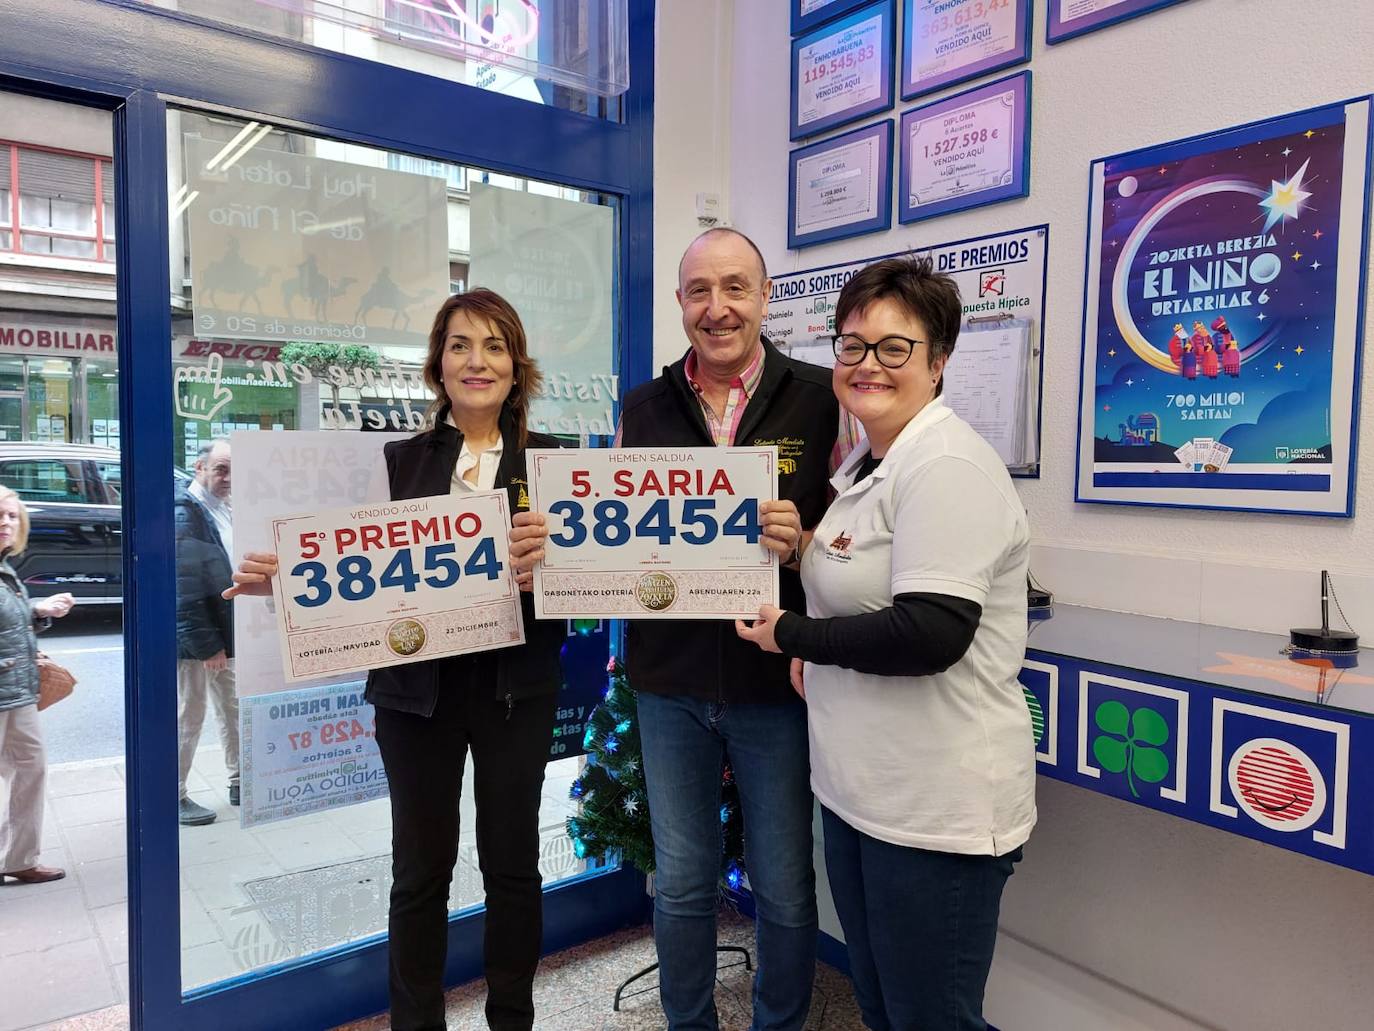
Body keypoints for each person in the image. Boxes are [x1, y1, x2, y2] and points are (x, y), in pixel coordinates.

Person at [511, 227, 838, 1031]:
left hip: (776, 682)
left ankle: (779, 1024)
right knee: (684, 878)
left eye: (735, 288)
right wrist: (554, 543)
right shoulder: (642, 406)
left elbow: (861, 527)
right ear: (681, 304)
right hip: (668, 684)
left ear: (765, 297)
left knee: (787, 882)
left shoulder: (823, 395)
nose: (718, 307)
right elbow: (609, 531)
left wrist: (807, 536)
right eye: (699, 290)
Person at [225, 289, 564, 1031]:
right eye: (461, 345)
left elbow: (594, 580)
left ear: (517, 366)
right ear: (438, 366)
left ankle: (513, 1018)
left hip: (517, 691)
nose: (478, 361)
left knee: (513, 867)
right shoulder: (400, 458)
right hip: (418, 694)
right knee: (420, 872)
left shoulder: (555, 464)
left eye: (495, 345)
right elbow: (358, 560)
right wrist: (286, 576)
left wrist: (556, 570)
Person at [736, 255, 1036, 1031]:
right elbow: (863, 576)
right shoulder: (868, 464)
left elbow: (931, 630)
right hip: (860, 795)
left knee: (929, 1016)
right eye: (853, 344)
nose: (868, 363)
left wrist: (792, 634)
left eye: (894, 347)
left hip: (934, 810)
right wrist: (798, 552)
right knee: (880, 1005)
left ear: (938, 362)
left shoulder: (945, 465)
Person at [0, 486, 75, 884]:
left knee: (31, 769)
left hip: (16, 692)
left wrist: (38, 610)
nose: (5, 522)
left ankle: (17, 858)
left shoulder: (5, 567)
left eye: (12, 516)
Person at [175, 438, 240, 826]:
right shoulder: (187, 512)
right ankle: (175, 794)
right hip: (199, 643)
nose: (229, 477)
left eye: (234, 470)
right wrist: (206, 645)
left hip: (223, 634)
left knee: (232, 709)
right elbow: (185, 587)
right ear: (200, 468)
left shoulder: (224, 507)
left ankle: (238, 782)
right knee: (190, 716)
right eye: (221, 469)